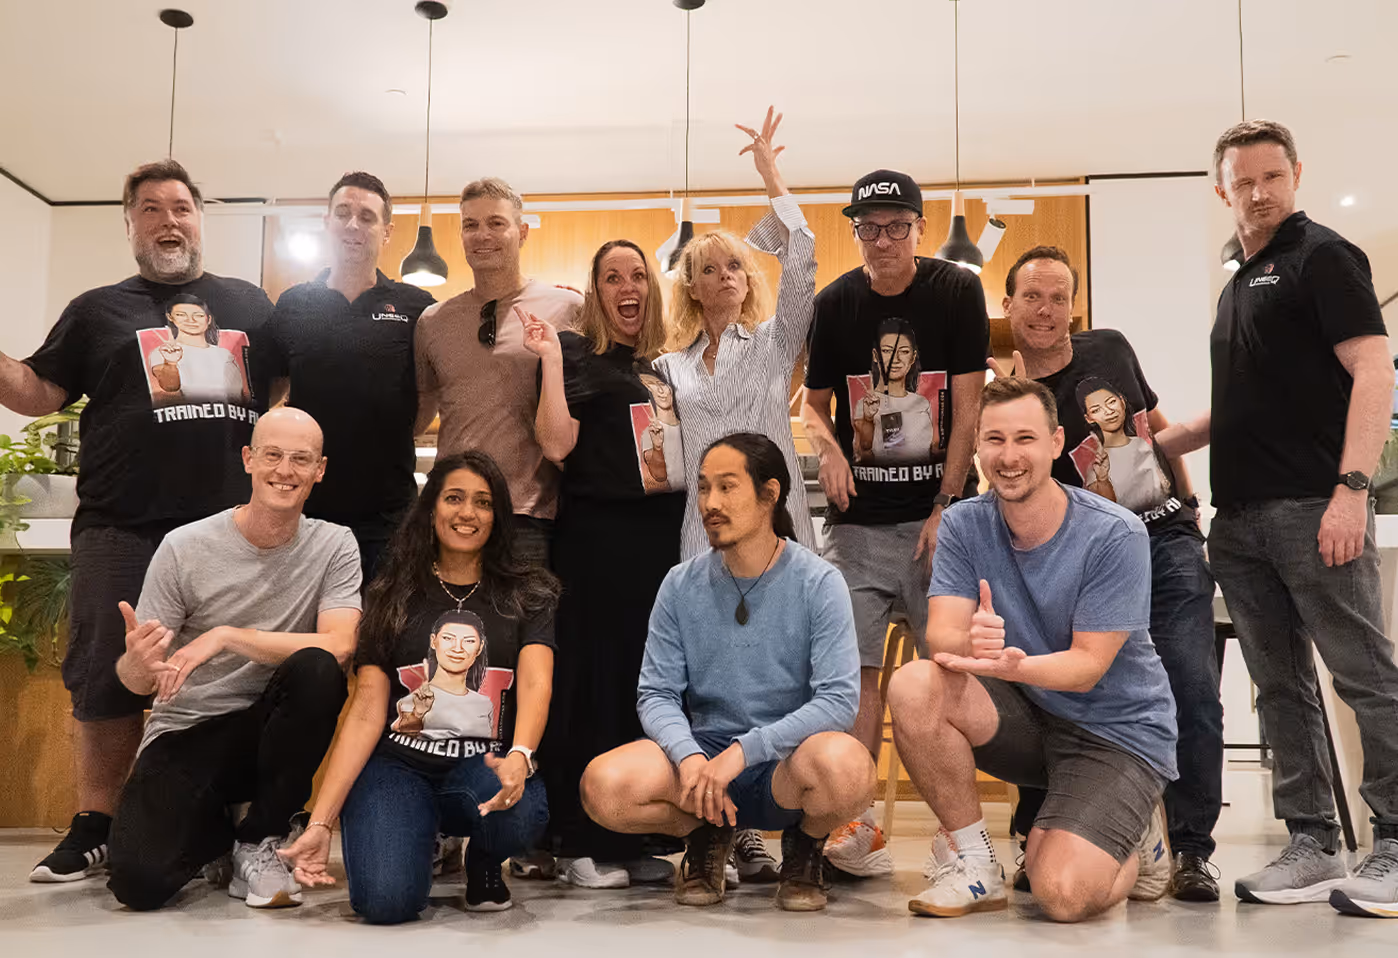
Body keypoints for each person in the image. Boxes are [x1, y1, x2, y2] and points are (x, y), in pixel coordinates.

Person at [4, 160, 274, 884]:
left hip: (228, 530)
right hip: (122, 526)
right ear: (129, 225)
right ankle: (95, 822)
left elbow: (283, 387)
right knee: (105, 671)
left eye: (180, 207)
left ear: (200, 219)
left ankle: (237, 825)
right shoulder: (97, 310)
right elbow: (37, 392)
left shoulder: (247, 302)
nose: (168, 221)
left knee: (232, 675)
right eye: (150, 209)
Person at [1156, 119, 1398, 916]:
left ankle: (1396, 841)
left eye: (1272, 177)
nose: (1258, 193)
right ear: (1221, 189)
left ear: (1296, 174)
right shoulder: (1238, 283)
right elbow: (1240, 409)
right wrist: (1153, 442)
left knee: (1364, 676)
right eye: (1244, 181)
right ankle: (1314, 842)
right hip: (1240, 521)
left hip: (1313, 508)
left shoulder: (1323, 257)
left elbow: (1374, 371)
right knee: (1280, 687)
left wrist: (1352, 489)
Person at [888, 377, 1177, 923]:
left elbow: (1088, 667)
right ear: (977, 446)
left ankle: (1139, 838)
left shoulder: (1114, 533)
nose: (1009, 456)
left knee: (1061, 895)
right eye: (994, 439)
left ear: (1055, 442)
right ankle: (975, 864)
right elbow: (942, 636)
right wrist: (972, 640)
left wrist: (1010, 665)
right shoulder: (962, 524)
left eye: (1025, 438)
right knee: (914, 684)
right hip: (1029, 714)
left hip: (1115, 731)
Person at [989, 246, 1223, 902]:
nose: (1046, 310)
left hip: (1165, 541)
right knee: (1050, 688)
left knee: (1191, 686)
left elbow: (1155, 428)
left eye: (1058, 298)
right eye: (1032, 297)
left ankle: (1192, 850)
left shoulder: (1111, 348)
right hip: (1084, 563)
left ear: (1073, 307)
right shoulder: (1016, 398)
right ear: (1009, 306)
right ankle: (1041, 832)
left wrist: (1190, 507)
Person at [579, 433, 875, 912]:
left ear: (770, 494)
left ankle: (805, 844)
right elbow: (656, 693)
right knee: (603, 786)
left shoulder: (819, 582)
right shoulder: (680, 584)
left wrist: (744, 752)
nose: (710, 503)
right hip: (704, 762)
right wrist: (689, 757)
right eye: (703, 488)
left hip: (785, 763)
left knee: (850, 770)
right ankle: (706, 835)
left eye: (727, 487)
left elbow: (837, 702)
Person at [800, 168, 988, 878]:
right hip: (857, 527)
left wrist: (946, 504)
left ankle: (957, 834)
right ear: (856, 232)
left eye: (897, 227)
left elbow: (967, 409)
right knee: (854, 674)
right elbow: (813, 404)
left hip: (943, 521)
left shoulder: (955, 290)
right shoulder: (835, 303)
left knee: (946, 674)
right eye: (869, 228)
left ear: (919, 229)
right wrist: (827, 449)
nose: (883, 241)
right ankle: (858, 824)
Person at [278, 451, 558, 923]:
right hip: (398, 767)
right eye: (454, 498)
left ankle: (484, 861)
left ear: (498, 516)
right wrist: (322, 820)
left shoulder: (528, 591)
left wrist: (521, 754)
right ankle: (413, 834)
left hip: (482, 765)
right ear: (430, 509)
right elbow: (366, 709)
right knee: (385, 904)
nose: (468, 513)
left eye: (483, 502)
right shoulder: (392, 592)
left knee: (522, 807)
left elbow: (536, 681)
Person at [103, 407, 362, 910]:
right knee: (137, 883)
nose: (285, 470)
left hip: (269, 732)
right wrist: (136, 663)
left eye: (301, 459)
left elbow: (340, 645)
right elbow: (140, 683)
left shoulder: (335, 544)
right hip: (188, 729)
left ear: (320, 470)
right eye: (272, 455)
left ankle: (260, 836)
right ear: (248, 459)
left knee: (317, 669)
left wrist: (225, 636)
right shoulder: (184, 547)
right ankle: (222, 830)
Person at [521, 239, 687, 888]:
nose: (627, 286)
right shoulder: (571, 352)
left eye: (637, 275)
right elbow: (556, 443)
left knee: (641, 685)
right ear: (596, 292)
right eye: (612, 277)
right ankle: (575, 839)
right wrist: (547, 360)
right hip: (596, 542)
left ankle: (630, 833)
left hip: (660, 545)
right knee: (588, 683)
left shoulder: (664, 367)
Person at [657, 107, 818, 561]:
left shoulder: (775, 341)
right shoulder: (667, 368)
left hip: (775, 527)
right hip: (702, 534)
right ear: (692, 287)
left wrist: (770, 175)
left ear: (748, 282)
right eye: (709, 269)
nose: (726, 275)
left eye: (734, 266)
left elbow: (801, 259)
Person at [261, 171, 436, 584]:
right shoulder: (294, 304)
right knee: (304, 624)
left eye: (367, 217)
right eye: (343, 214)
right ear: (327, 222)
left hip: (389, 516)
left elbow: (428, 394)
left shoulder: (416, 307)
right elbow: (271, 393)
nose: (353, 225)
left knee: (382, 622)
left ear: (387, 231)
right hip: (303, 512)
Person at [415, 177, 583, 567]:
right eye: (470, 225)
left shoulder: (568, 308)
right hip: (452, 515)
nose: (482, 235)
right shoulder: (432, 322)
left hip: (530, 516)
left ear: (522, 233)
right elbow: (419, 412)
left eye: (496, 223)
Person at [147, 294, 248, 405]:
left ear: (208, 319)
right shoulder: (165, 352)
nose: (191, 320)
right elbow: (169, 386)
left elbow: (240, 396)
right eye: (181, 315)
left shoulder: (225, 354)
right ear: (170, 317)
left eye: (199, 315)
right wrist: (171, 363)